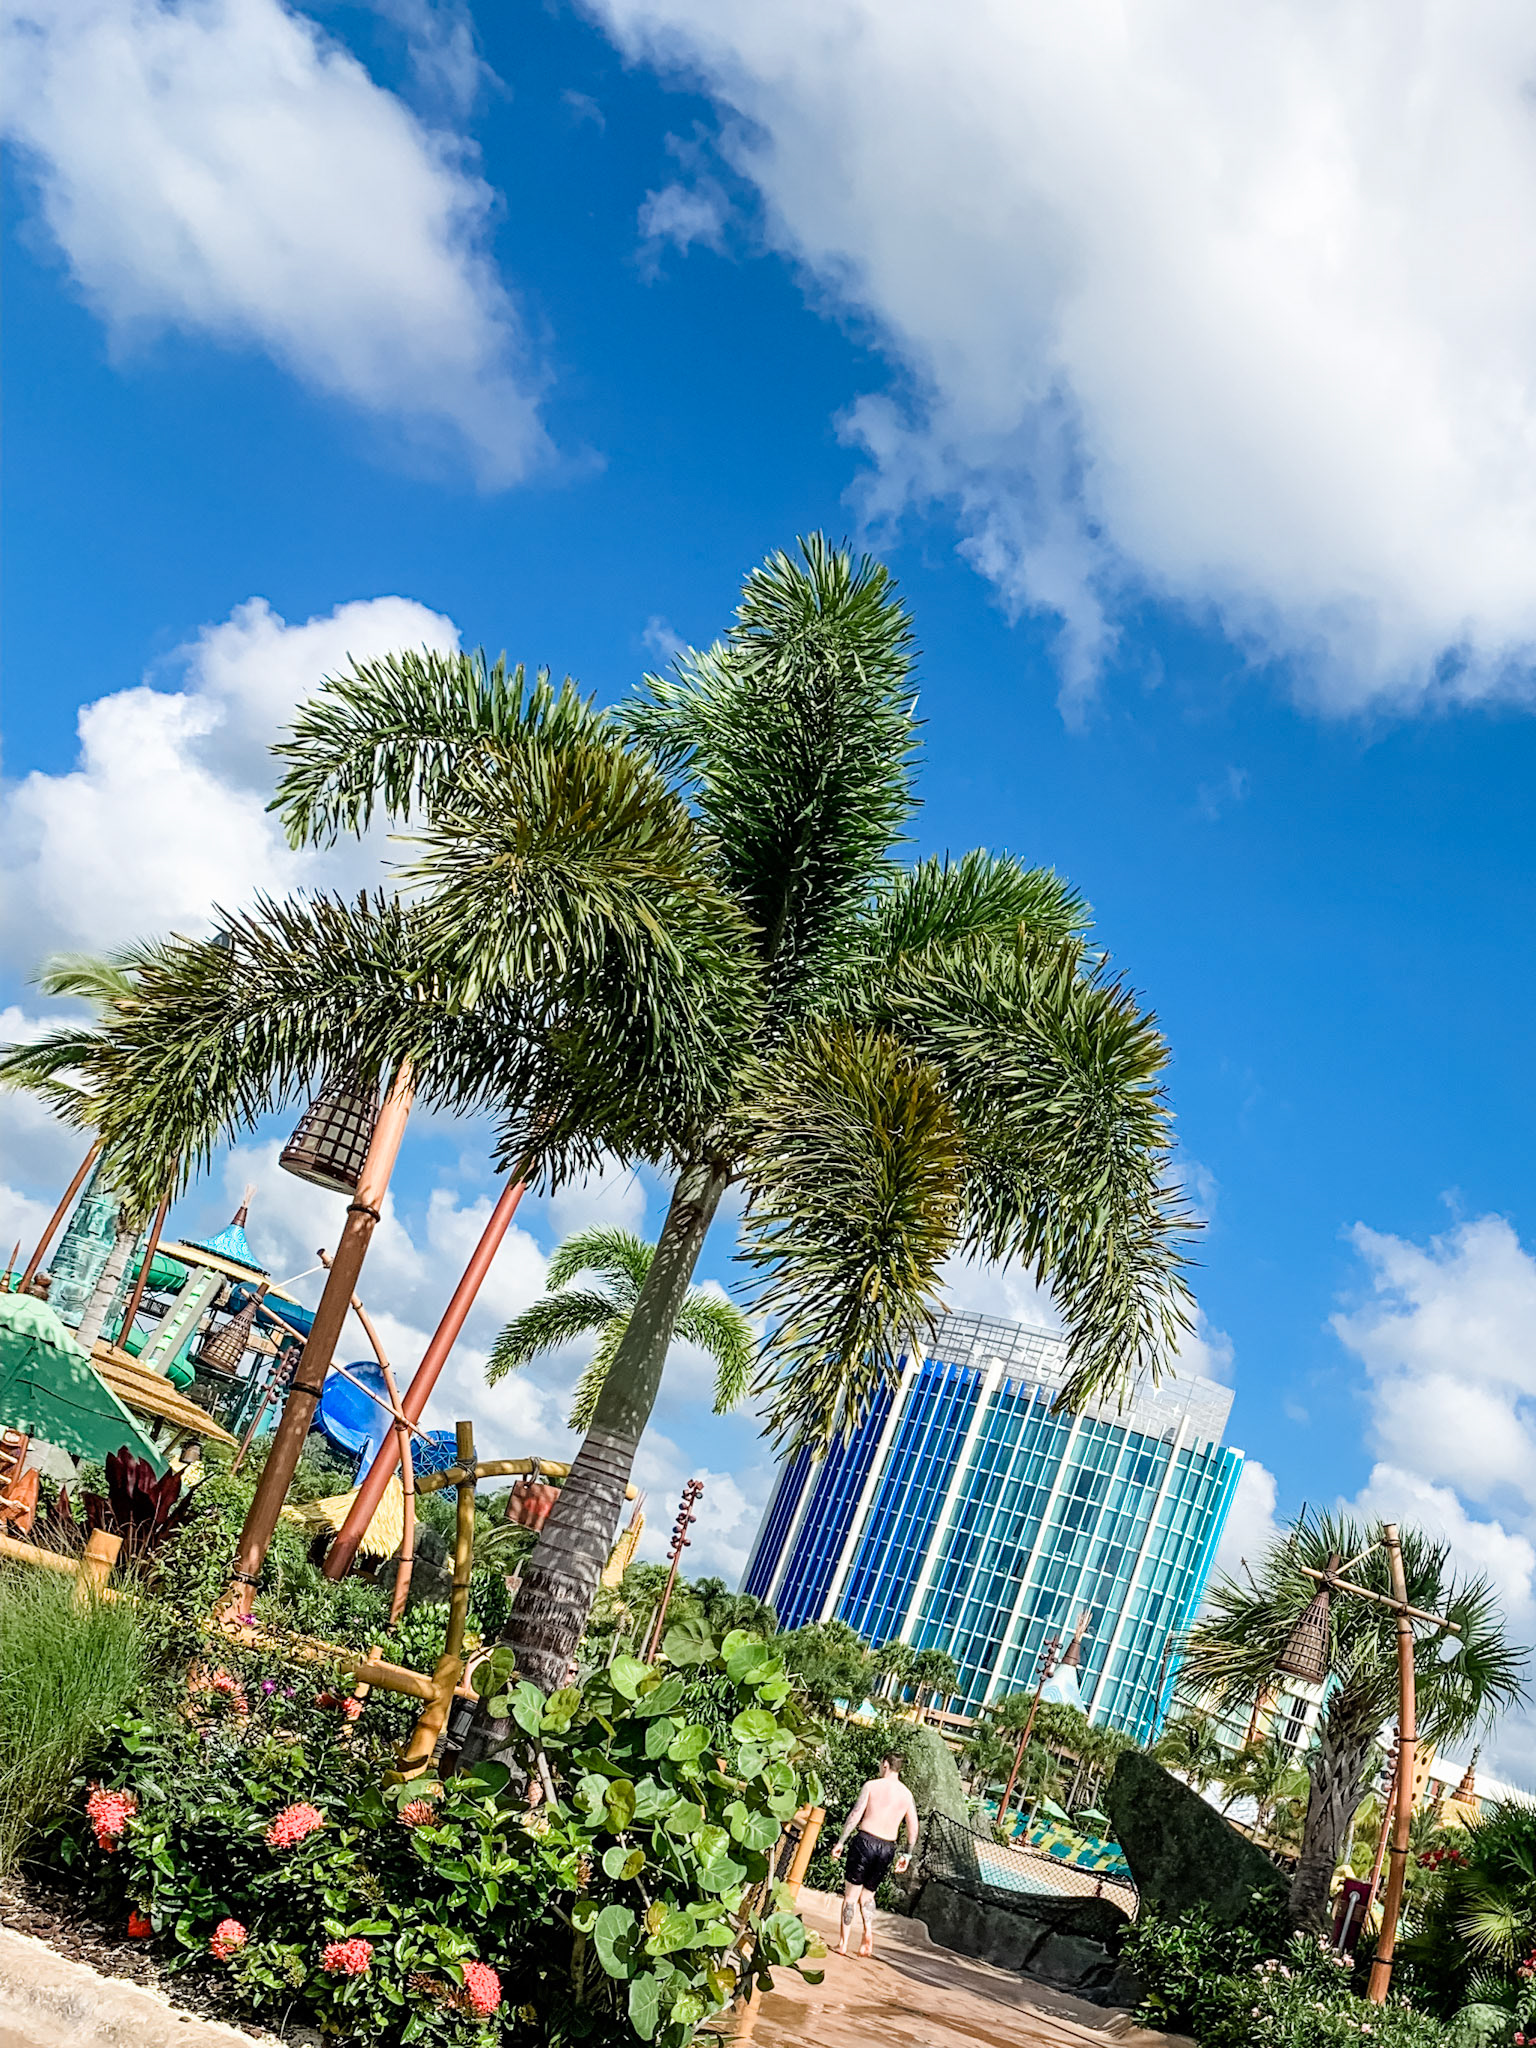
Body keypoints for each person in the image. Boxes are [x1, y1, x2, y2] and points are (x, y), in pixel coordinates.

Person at [830, 1752, 920, 1958]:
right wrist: (907, 1854)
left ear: (886, 1765)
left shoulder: (872, 1786)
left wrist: (841, 1841)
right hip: (887, 1847)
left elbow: (855, 1814)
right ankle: (868, 1932)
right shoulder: (906, 1795)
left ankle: (843, 1943)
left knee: (851, 1897)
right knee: (869, 1895)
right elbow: (913, 1827)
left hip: (865, 1841)